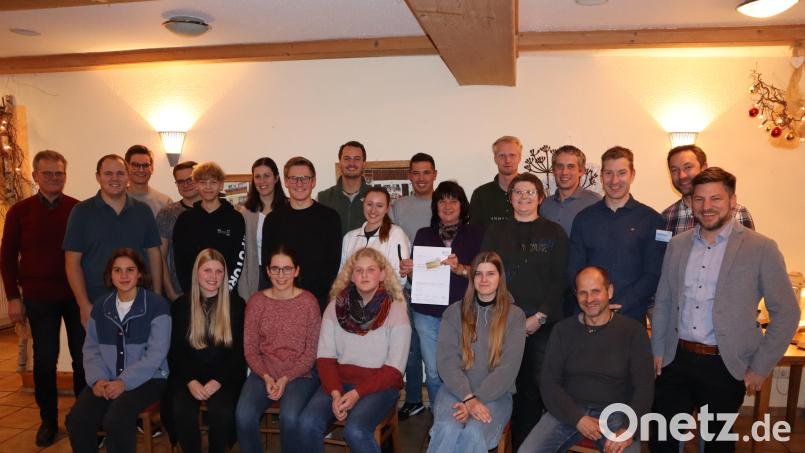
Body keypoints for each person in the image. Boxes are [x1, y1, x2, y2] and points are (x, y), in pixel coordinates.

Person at [650, 168, 799, 453]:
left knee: (717, 444)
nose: (706, 207)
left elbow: (787, 312)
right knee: (663, 442)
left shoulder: (761, 248)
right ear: (691, 202)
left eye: (715, 198)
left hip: (724, 366)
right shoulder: (678, 245)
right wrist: (658, 349)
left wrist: (760, 366)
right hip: (675, 359)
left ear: (732, 201)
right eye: (699, 199)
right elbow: (664, 301)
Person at [518, 266, 654, 453]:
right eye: (583, 293)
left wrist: (629, 428)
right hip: (567, 411)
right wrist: (577, 418)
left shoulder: (633, 332)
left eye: (595, 291)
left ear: (610, 291)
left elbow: (644, 387)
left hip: (616, 414)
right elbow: (549, 383)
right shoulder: (562, 331)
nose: (589, 299)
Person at [0, 150, 84, 447]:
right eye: (47, 173)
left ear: (65, 175)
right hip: (38, 298)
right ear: (35, 176)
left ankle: (82, 417)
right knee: (45, 362)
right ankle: (48, 420)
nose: (53, 178)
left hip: (76, 296)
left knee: (83, 359)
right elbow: (7, 257)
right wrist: (13, 296)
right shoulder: (19, 212)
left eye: (58, 173)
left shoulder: (78, 209)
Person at [481, 173, 568, 450]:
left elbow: (560, 280)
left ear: (541, 197)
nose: (524, 197)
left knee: (535, 388)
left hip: (541, 324)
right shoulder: (496, 232)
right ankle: (501, 442)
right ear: (511, 198)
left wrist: (539, 317)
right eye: (518, 192)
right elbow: (487, 274)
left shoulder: (554, 232)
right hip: (503, 321)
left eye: (530, 192)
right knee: (504, 385)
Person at [296, 248, 411, 453]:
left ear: (382, 274)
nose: (364, 275)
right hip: (339, 384)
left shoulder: (396, 309)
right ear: (351, 275)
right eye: (359, 270)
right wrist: (335, 393)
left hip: (380, 386)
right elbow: (325, 357)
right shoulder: (334, 307)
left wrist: (357, 393)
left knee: (355, 430)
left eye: (371, 269)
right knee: (306, 423)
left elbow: (394, 370)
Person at [66, 248, 170, 453]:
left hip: (150, 379)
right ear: (110, 275)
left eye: (130, 270)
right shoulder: (100, 307)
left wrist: (124, 381)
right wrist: (97, 379)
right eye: (117, 270)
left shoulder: (157, 305)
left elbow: (156, 354)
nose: (124, 275)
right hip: (107, 378)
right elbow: (91, 348)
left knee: (116, 419)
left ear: (140, 273)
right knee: (77, 419)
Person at [427, 251, 526, 453]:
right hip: (455, 390)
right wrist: (468, 398)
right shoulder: (455, 312)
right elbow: (446, 362)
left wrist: (477, 399)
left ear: (500, 278)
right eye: (478, 274)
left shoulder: (515, 316)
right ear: (472, 278)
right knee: (447, 428)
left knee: (473, 433)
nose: (484, 279)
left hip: (496, 395)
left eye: (490, 273)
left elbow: (507, 370)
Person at [404, 181, 484, 413]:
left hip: (464, 312)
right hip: (427, 315)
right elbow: (415, 280)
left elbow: (485, 275)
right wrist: (410, 272)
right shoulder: (423, 234)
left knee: (463, 369)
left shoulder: (476, 234)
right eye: (442, 200)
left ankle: (462, 413)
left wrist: (461, 269)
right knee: (433, 371)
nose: (447, 205)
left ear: (462, 205)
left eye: (453, 200)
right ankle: (440, 419)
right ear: (435, 205)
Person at [235, 245, 321, 453]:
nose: (281, 275)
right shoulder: (256, 302)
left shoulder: (309, 302)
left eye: (287, 269)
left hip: (300, 374)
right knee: (243, 415)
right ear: (268, 270)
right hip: (263, 372)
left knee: (289, 417)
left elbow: (311, 353)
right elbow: (250, 350)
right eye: (275, 269)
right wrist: (266, 376)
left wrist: (285, 378)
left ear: (297, 271)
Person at [567, 146, 665, 322]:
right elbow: (574, 270)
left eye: (621, 173)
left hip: (631, 317)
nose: (614, 180)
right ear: (601, 176)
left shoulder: (652, 220)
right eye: (608, 173)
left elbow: (653, 273)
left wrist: (622, 304)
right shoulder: (583, 219)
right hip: (588, 316)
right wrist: (592, 303)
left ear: (632, 175)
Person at [64, 154, 162, 326]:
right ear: (98, 177)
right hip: (97, 303)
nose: (115, 178)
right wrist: (84, 305)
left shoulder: (143, 211)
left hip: (139, 302)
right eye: (108, 173)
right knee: (100, 353)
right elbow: (72, 262)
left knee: (139, 352)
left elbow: (154, 255)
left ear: (128, 176)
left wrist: (157, 297)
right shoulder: (81, 212)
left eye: (120, 173)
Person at [170, 248, 246, 453]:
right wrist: (191, 381)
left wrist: (217, 381)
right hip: (189, 376)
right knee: (182, 411)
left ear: (225, 275)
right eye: (207, 270)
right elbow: (176, 351)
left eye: (219, 271)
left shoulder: (237, 305)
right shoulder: (180, 306)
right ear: (196, 272)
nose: (213, 277)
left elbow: (238, 353)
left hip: (225, 376)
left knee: (222, 413)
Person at [389, 152, 438, 420]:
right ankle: (414, 399)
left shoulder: (444, 204)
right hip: (406, 287)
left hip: (438, 288)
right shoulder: (398, 206)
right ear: (410, 176)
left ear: (434, 174)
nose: (421, 178)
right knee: (410, 345)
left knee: (435, 348)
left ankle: (441, 400)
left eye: (426, 172)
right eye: (416, 173)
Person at [261, 156, 342, 311]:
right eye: (294, 178)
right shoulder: (273, 220)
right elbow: (267, 263)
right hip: (281, 299)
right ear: (285, 182)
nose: (299, 183)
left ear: (313, 181)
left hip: (318, 301)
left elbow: (333, 264)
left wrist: (309, 296)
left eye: (305, 178)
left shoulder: (330, 218)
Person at [172, 161, 245, 295]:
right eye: (203, 182)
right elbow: (180, 262)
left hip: (227, 295)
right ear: (196, 184)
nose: (208, 187)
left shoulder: (235, 219)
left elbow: (238, 260)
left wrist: (226, 291)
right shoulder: (184, 220)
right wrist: (191, 293)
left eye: (213, 182)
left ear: (221, 185)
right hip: (193, 296)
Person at [661, 145, 754, 236]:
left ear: (704, 167)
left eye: (688, 167)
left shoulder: (737, 213)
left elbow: (749, 249)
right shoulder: (666, 218)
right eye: (674, 170)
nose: (682, 176)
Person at [238, 157, 288, 300]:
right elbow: (244, 254)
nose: (262, 181)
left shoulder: (289, 209)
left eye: (267, 176)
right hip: (257, 274)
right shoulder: (245, 213)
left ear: (276, 178)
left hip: (284, 274)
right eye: (257, 177)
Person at [340, 186, 410, 283]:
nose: (373, 210)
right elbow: (343, 276)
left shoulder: (396, 234)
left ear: (387, 208)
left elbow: (400, 278)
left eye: (379, 206)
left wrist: (371, 292)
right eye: (369, 204)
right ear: (363, 205)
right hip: (353, 297)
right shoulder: (349, 238)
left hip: (386, 297)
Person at [155, 160, 199, 301]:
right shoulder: (167, 213)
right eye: (180, 182)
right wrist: (170, 292)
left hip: (213, 290)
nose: (185, 185)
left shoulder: (214, 211)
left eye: (190, 180)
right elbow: (160, 256)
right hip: (179, 292)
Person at [539, 145, 601, 236]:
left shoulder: (595, 202)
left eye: (571, 166)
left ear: (581, 171)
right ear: (553, 170)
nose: (564, 172)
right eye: (560, 166)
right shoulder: (546, 204)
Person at [469, 136, 522, 232]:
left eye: (512, 155)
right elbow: (474, 232)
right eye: (502, 155)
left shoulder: (532, 192)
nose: (507, 160)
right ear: (495, 159)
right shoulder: (480, 194)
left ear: (520, 158)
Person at [318, 140, 370, 234]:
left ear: (364, 163)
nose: (352, 163)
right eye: (347, 158)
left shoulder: (376, 198)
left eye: (357, 159)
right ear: (340, 163)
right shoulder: (323, 198)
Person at [124, 145, 173, 216]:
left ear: (152, 168)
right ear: (126, 167)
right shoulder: (116, 199)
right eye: (135, 165)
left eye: (145, 165)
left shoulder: (165, 202)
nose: (141, 170)